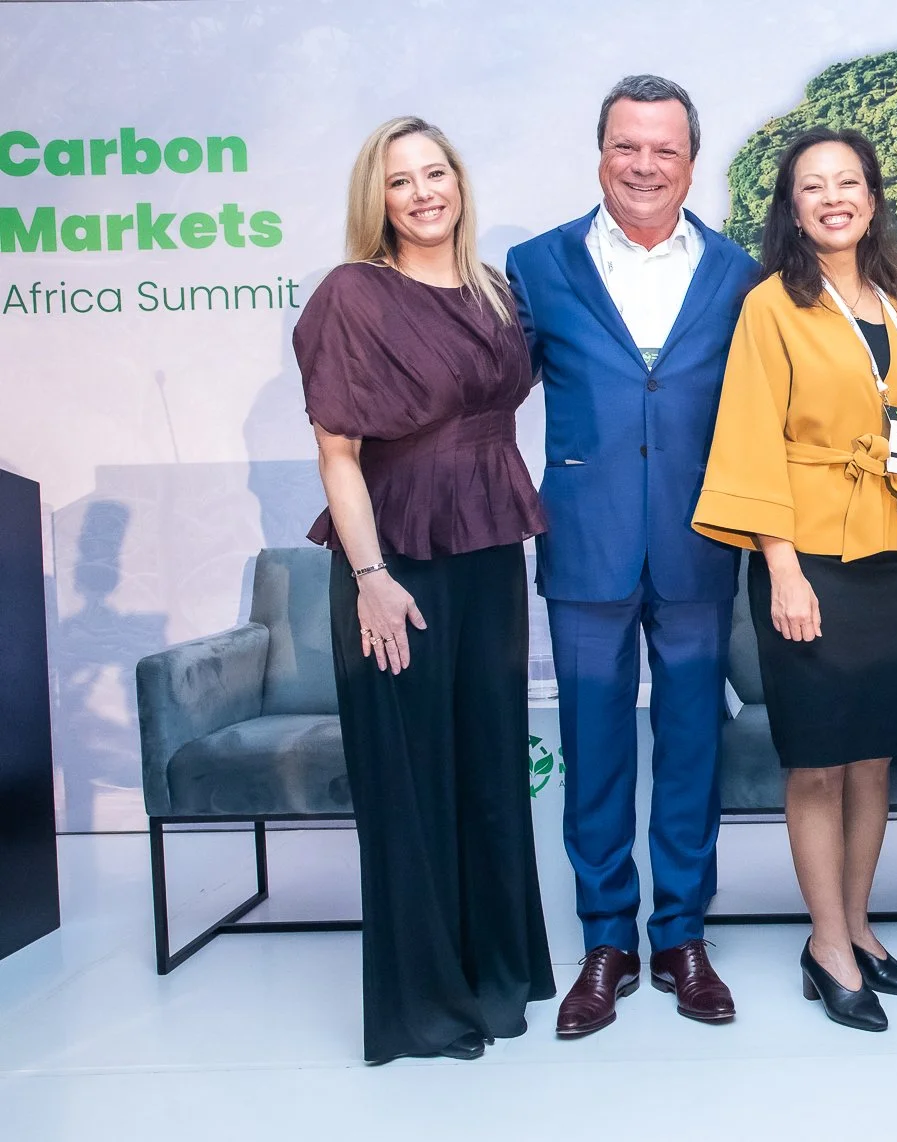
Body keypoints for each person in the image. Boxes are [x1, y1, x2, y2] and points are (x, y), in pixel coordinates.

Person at [505, 75, 759, 1035]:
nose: (644, 165)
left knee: (692, 749)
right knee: (595, 752)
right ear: (599, 152)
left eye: (664, 149)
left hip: (700, 546)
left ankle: (683, 937)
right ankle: (606, 940)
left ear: (692, 160)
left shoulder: (739, 273)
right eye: (626, 146)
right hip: (584, 547)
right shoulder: (536, 266)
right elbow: (483, 400)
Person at [297, 116, 552, 1064]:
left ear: (459, 182)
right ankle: (427, 1006)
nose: (422, 193)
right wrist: (369, 577)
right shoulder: (353, 295)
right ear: (379, 199)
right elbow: (337, 452)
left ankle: (496, 976)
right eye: (400, 181)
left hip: (488, 548)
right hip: (395, 555)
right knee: (413, 782)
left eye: (434, 173)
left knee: (488, 768)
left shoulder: (494, 289)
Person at [692, 127, 897, 1033]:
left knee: (875, 754)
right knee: (815, 761)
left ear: (874, 199)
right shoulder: (771, 305)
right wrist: (779, 569)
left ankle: (858, 927)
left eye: (850, 182)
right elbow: (751, 434)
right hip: (806, 556)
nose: (834, 197)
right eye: (814, 185)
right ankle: (827, 943)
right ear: (793, 207)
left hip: (890, 551)